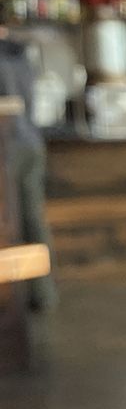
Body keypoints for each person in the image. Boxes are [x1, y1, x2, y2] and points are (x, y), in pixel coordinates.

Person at [0, 35, 55, 310]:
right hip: (31, 142)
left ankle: (15, 299)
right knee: (33, 220)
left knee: (11, 224)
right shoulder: (21, 55)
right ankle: (42, 294)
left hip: (9, 147)